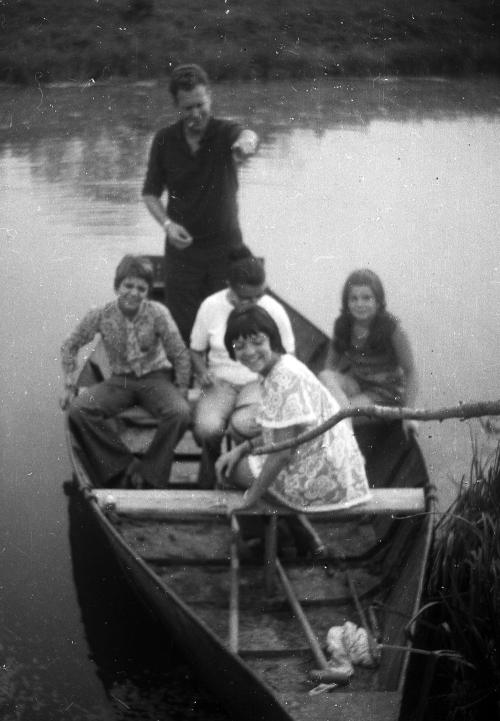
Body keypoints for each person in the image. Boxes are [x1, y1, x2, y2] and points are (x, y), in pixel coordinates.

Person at [142, 63, 259, 344]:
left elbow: (248, 135)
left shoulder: (225, 132)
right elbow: (149, 194)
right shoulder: (164, 140)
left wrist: (245, 146)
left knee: (227, 324)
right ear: (176, 107)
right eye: (187, 108)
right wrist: (167, 225)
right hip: (182, 252)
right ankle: (191, 381)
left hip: (226, 249)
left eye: (200, 104)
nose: (195, 114)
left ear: (210, 98)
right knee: (183, 327)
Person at [215, 306, 370, 514]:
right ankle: (304, 539)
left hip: (321, 478)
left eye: (257, 341)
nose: (250, 352)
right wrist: (241, 448)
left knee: (230, 472)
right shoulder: (284, 365)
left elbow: (281, 454)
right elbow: (283, 434)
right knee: (242, 465)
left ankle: (275, 535)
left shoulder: (282, 379)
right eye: (240, 346)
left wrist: (247, 500)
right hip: (338, 473)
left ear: (272, 338)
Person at [60, 255, 191, 488]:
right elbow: (70, 345)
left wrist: (181, 388)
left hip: (156, 379)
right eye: (128, 286)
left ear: (148, 292)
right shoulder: (101, 314)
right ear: (117, 286)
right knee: (79, 410)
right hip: (120, 381)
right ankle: (122, 464)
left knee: (180, 413)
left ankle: (151, 473)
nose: (133, 292)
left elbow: (179, 352)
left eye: (141, 288)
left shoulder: (158, 312)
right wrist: (70, 384)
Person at [190, 248, 295, 487]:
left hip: (257, 381)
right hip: (220, 382)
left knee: (243, 425)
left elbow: (287, 356)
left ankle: (242, 477)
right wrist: (202, 372)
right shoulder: (210, 306)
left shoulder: (273, 309)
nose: (254, 304)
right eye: (246, 298)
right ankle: (209, 476)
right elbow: (196, 351)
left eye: (258, 297)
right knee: (207, 429)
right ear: (230, 287)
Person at [318, 268, 418, 433]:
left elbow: (411, 371)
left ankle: (342, 421)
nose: (360, 304)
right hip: (357, 384)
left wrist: (409, 414)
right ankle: (343, 415)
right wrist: (328, 393)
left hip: (385, 394)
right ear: (347, 303)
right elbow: (330, 365)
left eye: (366, 298)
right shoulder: (343, 325)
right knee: (324, 376)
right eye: (354, 299)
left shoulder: (392, 329)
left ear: (378, 302)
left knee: (331, 415)